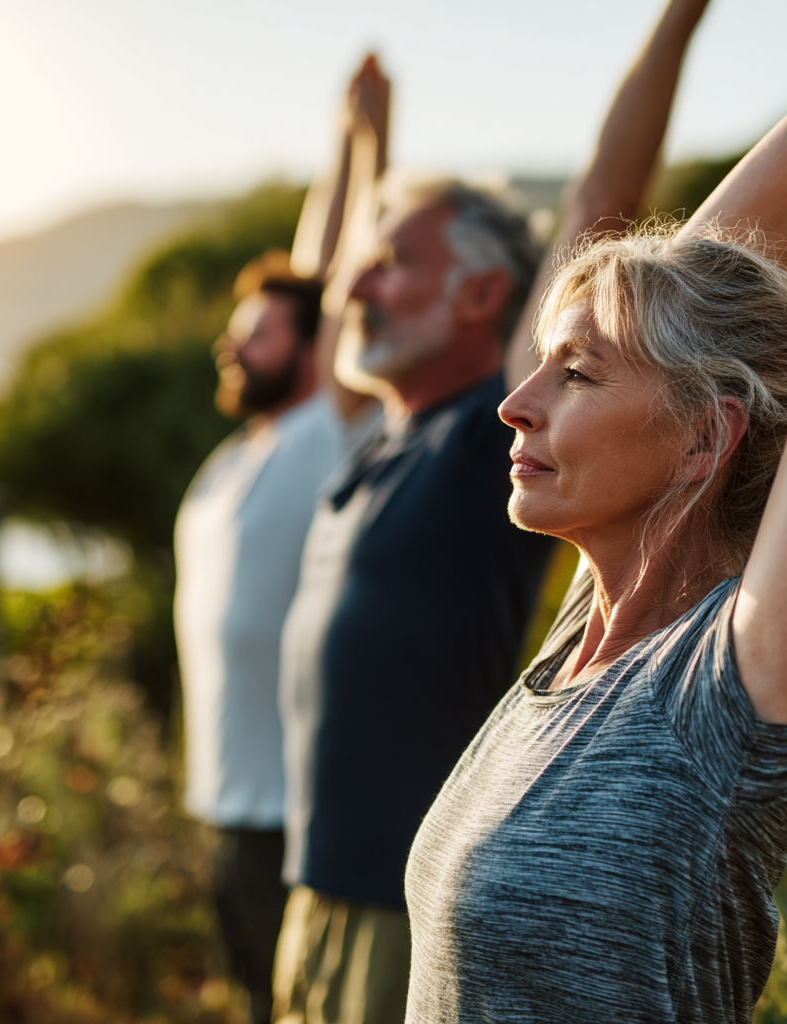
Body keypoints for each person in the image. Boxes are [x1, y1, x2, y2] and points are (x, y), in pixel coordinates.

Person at [403, 0, 787, 1020]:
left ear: (703, 439)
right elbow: (696, 301)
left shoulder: (724, 686)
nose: (516, 401)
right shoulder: (580, 646)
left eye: (575, 374)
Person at [271, 3, 718, 1021]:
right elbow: (331, 281)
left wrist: (679, 21)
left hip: (402, 907)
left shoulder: (494, 432)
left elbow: (603, 203)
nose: (356, 290)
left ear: (480, 295)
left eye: (391, 264)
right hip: (319, 894)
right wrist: (363, 144)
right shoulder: (378, 437)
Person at [172, 56, 387, 1024]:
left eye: (255, 333)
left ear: (310, 351)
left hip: (291, 819)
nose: (233, 345)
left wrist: (364, 150)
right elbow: (311, 281)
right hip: (223, 806)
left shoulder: (324, 437)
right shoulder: (234, 459)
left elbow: (331, 283)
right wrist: (333, 139)